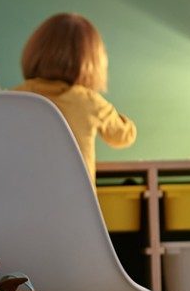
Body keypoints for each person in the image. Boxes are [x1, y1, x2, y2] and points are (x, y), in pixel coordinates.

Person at [14, 13, 136, 178]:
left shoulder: (16, 97)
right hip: (76, 194)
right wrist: (112, 114)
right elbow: (124, 136)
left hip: (24, 190)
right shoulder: (90, 102)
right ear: (94, 62)